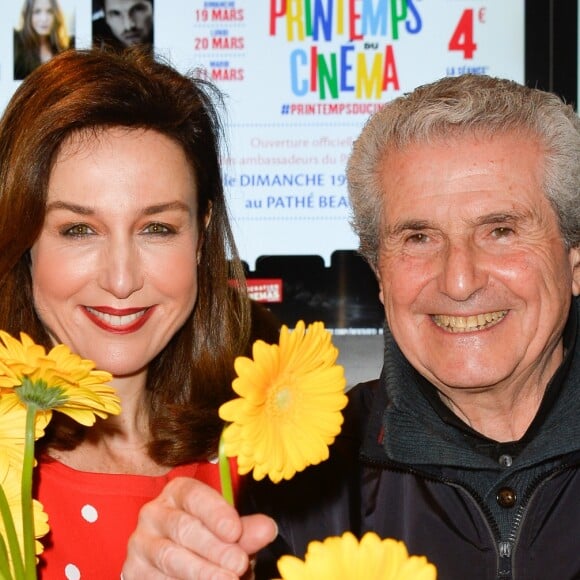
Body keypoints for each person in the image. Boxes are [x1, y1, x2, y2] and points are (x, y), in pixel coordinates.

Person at [121, 73, 580, 579]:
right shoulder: (291, 485)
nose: (460, 279)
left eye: (501, 230)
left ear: (574, 260)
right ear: (379, 275)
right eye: (419, 237)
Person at [0, 47, 280, 578]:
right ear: (23, 240)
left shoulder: (269, 455)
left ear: (200, 235)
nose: (122, 279)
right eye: (79, 230)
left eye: (157, 228)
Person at [13, 0, 73, 80]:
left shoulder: (63, 46)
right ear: (28, 14)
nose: (44, 19)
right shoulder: (15, 42)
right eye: (37, 12)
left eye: (49, 11)